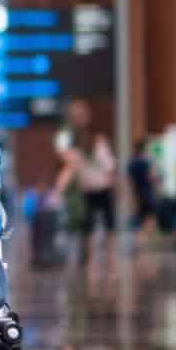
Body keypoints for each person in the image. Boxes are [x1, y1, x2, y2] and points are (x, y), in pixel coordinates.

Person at [51, 98, 115, 266]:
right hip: (81, 188)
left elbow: (107, 163)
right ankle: (86, 259)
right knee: (84, 226)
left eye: (82, 114)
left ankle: (106, 260)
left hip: (97, 186)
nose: (79, 118)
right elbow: (63, 156)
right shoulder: (67, 135)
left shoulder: (95, 137)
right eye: (75, 114)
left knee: (105, 225)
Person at [127, 137, 161, 240]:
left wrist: (132, 196)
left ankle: (139, 239)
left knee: (140, 218)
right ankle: (144, 237)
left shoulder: (132, 163)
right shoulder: (146, 162)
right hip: (147, 193)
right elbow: (153, 177)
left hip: (137, 193)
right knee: (150, 216)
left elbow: (130, 181)